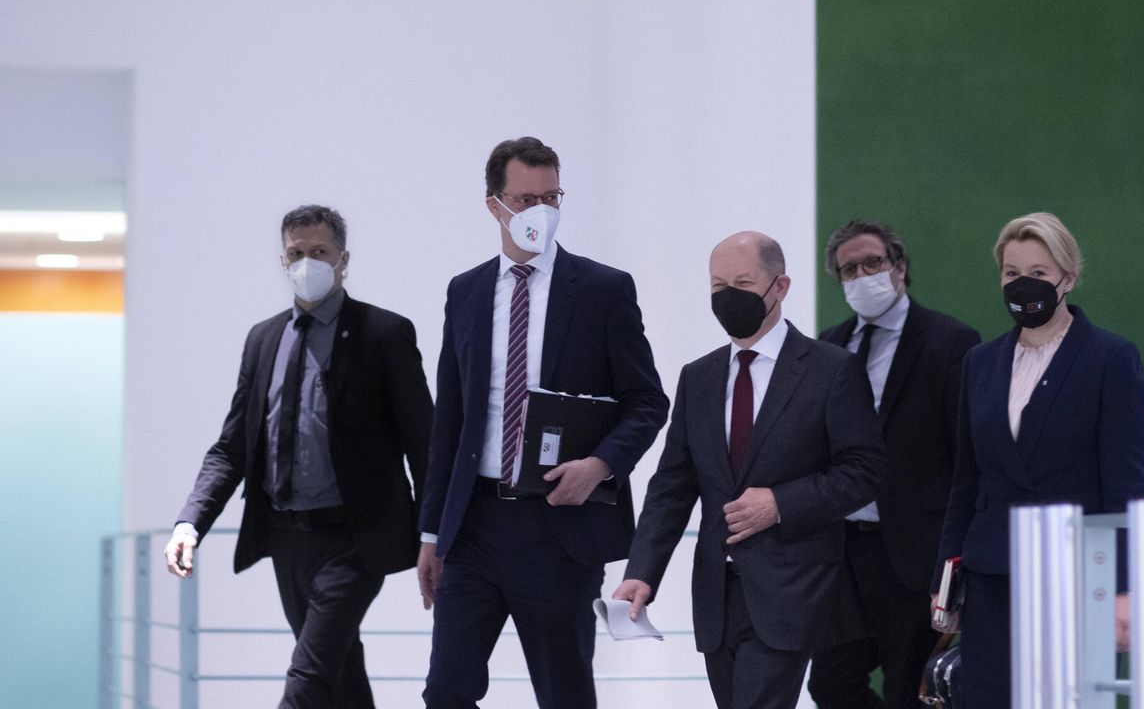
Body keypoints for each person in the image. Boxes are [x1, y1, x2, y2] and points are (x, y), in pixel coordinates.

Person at [417, 137, 668, 709]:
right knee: (446, 691)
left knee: (564, 695)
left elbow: (647, 402)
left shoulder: (603, 290)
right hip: (475, 525)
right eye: (526, 200)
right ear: (494, 205)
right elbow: (449, 420)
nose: (541, 212)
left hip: (559, 526)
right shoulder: (467, 291)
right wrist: (432, 532)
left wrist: (600, 465)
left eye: (551, 197)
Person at [163, 205, 434, 708]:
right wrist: (189, 523)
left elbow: (424, 443)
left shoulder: (384, 333)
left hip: (356, 538)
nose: (307, 262)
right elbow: (233, 447)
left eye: (319, 252)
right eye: (296, 253)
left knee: (307, 678)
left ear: (343, 259)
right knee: (339, 673)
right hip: (287, 536)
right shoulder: (263, 339)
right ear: (282, 260)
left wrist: (433, 536)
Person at [613, 231, 887, 709]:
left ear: (780, 287)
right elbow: (673, 486)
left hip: (793, 588)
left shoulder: (831, 369)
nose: (728, 297)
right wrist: (642, 572)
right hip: (717, 596)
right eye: (718, 286)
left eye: (742, 283)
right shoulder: (698, 376)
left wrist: (781, 504)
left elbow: (865, 470)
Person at [933, 212, 1144, 708]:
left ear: (1067, 278)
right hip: (992, 579)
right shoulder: (980, 363)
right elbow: (967, 480)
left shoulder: (1111, 358)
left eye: (1037, 272)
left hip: (1079, 580)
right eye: (1011, 273)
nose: (1022, 284)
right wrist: (944, 582)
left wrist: (1124, 589)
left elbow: (1125, 485)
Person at [808, 220, 980, 709]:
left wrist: (958, 559)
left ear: (900, 268)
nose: (862, 276)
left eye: (873, 263)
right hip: (844, 553)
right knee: (830, 684)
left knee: (911, 689)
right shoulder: (829, 345)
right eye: (849, 270)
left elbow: (968, 457)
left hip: (915, 553)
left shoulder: (951, 342)